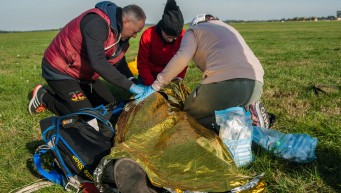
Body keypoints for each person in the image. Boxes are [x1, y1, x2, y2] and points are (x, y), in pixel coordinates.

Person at [138, 14, 269, 132]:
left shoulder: (194, 31)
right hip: (256, 83)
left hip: (225, 81)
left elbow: (182, 58)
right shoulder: (229, 28)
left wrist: (156, 85)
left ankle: (242, 123)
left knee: (189, 114)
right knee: (230, 107)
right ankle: (249, 115)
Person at [28, 1, 147, 116]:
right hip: (61, 70)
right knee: (87, 116)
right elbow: (98, 62)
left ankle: (69, 95)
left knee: (111, 108)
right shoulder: (96, 23)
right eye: (135, 31)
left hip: (83, 74)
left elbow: (118, 62)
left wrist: (134, 81)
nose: (135, 36)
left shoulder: (121, 36)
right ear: (126, 21)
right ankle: (44, 97)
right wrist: (130, 87)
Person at [137, 0, 187, 86]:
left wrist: (177, 80)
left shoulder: (183, 36)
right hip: (149, 75)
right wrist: (152, 86)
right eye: (168, 36)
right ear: (162, 29)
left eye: (174, 37)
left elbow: (182, 62)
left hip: (170, 76)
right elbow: (142, 64)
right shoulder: (148, 35)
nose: (171, 40)